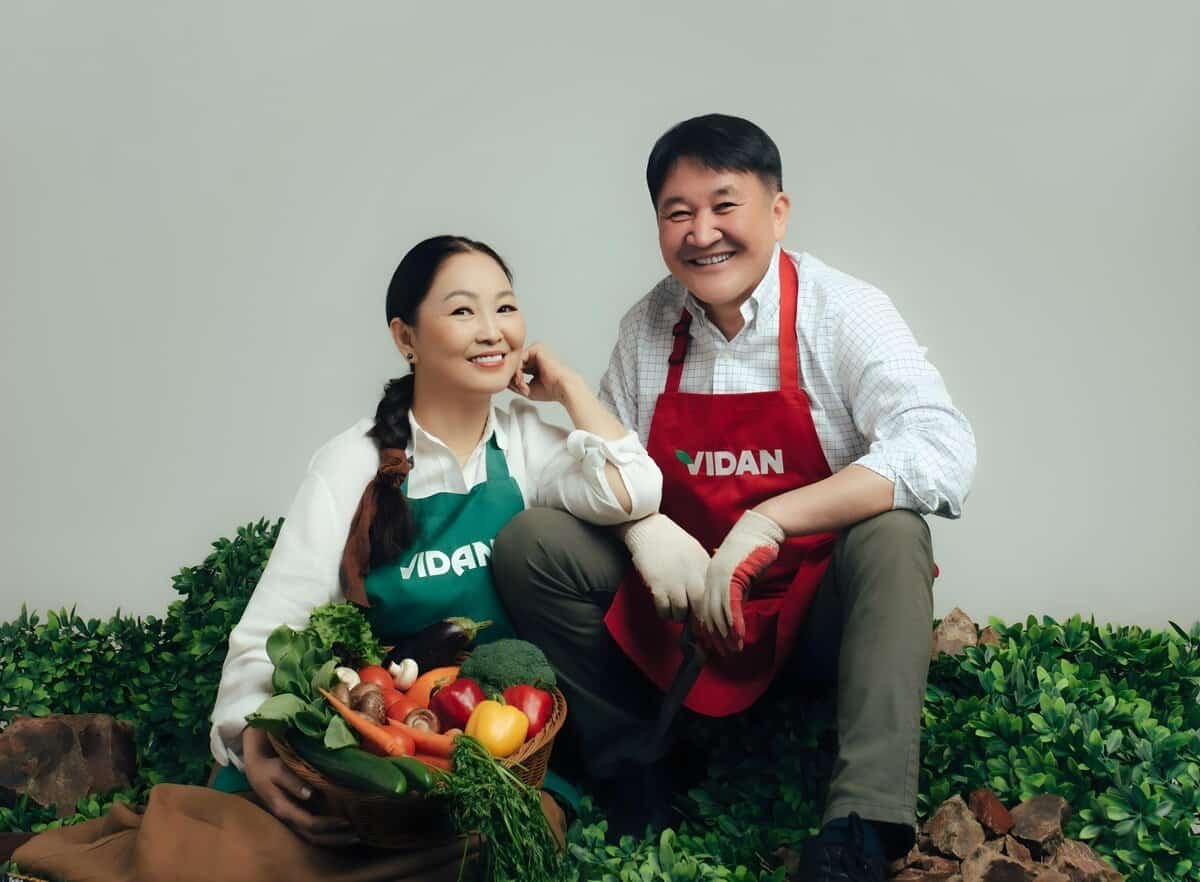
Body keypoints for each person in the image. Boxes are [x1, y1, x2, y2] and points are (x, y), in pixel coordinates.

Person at [492, 115, 976, 881]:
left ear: (777, 211)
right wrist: (648, 530)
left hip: (812, 612)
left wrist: (770, 519)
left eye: (725, 205)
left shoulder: (840, 311)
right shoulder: (649, 327)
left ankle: (865, 823)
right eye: (678, 213)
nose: (702, 232)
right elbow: (608, 472)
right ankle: (635, 763)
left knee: (895, 533)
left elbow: (940, 451)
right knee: (533, 543)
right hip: (690, 610)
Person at [209, 234, 663, 845]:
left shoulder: (527, 444)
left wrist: (571, 391)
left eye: (505, 308)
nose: (492, 331)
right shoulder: (352, 463)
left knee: (488, 849)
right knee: (255, 845)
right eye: (461, 311)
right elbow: (272, 629)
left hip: (500, 750)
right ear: (405, 339)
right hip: (379, 740)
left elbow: (633, 490)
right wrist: (251, 736)